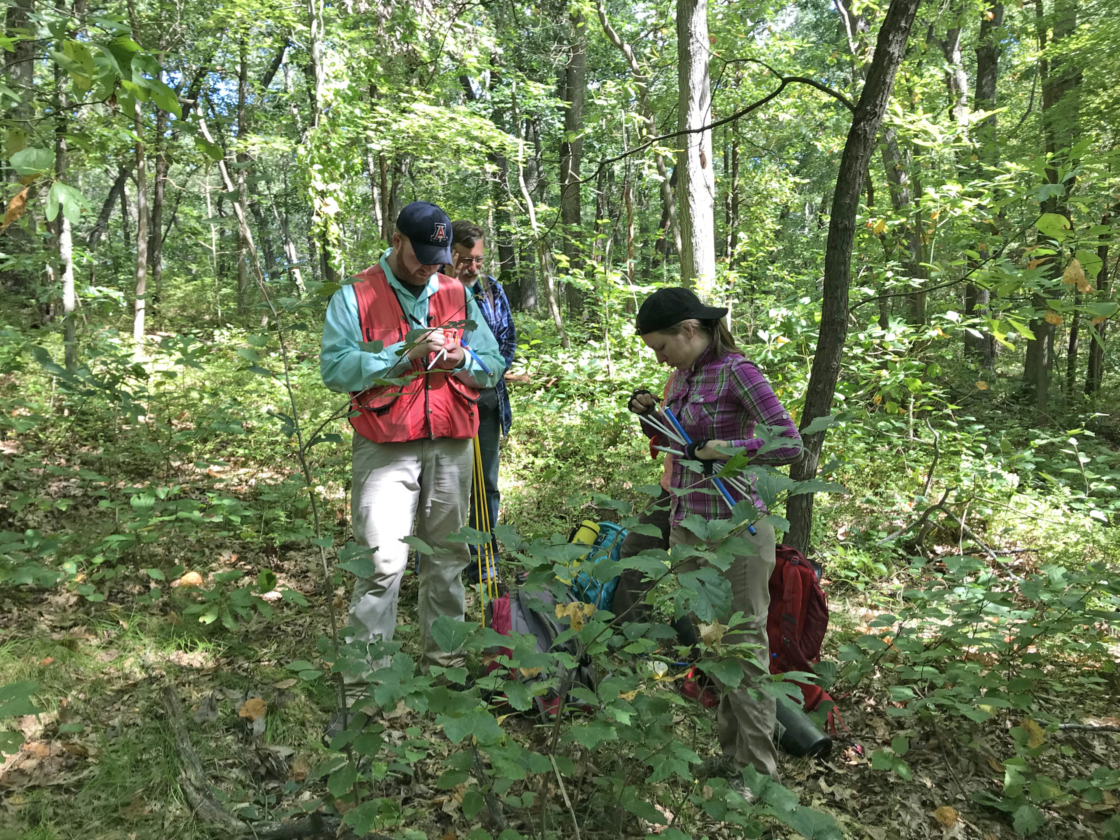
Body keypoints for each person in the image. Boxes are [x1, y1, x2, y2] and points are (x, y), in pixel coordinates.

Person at [320, 201, 504, 735]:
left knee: (448, 557)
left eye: (437, 258)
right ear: (396, 240)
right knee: (381, 564)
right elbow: (335, 369)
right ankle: (364, 689)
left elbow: (493, 366)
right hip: (385, 444)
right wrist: (402, 354)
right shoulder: (356, 294)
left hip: (451, 441)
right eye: (421, 255)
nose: (429, 267)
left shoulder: (454, 292)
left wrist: (463, 360)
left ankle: (446, 670)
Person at [625, 287, 803, 781]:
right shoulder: (682, 375)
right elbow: (680, 444)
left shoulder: (737, 371)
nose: (659, 358)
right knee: (714, 645)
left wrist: (723, 449)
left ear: (689, 330)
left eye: (662, 346)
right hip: (688, 523)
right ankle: (731, 757)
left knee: (743, 650)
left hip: (736, 528)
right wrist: (652, 418)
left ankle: (758, 771)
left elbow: (789, 444)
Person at [446, 221, 517, 584]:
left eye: (478, 260)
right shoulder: (432, 291)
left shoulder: (490, 290)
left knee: (486, 485)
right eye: (465, 259)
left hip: (486, 402)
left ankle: (484, 562)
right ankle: (438, 563)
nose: (473, 267)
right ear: (447, 254)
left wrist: (480, 370)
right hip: (443, 406)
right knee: (442, 488)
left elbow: (507, 342)